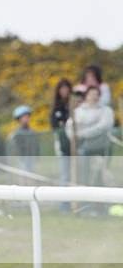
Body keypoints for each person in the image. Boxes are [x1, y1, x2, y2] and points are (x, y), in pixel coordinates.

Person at [67, 86, 114, 188]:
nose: (94, 97)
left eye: (96, 94)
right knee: (84, 178)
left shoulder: (106, 110)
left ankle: (102, 202)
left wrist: (82, 133)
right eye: (91, 94)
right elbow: (70, 129)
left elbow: (103, 127)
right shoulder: (78, 111)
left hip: (103, 149)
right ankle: (86, 202)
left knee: (101, 177)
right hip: (83, 149)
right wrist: (76, 136)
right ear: (86, 96)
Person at [51, 79, 73, 209]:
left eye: (66, 88)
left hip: (76, 147)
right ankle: (64, 203)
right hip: (62, 147)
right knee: (64, 174)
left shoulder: (74, 105)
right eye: (62, 88)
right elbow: (55, 126)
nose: (64, 91)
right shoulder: (56, 108)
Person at [7, 105, 39, 175]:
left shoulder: (32, 132)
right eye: (24, 117)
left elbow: (36, 147)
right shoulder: (15, 134)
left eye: (28, 116)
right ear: (19, 119)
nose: (27, 119)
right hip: (21, 161)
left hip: (32, 160)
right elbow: (14, 150)